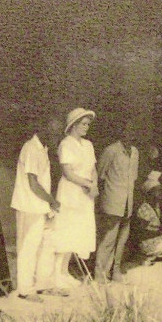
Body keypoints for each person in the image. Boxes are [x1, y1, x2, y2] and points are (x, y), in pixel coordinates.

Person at [10, 115, 62, 302]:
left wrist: (48, 203)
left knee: (45, 246)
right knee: (28, 248)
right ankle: (25, 289)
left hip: (39, 206)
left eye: (58, 134)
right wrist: (52, 201)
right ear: (43, 129)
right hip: (28, 206)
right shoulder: (31, 148)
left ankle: (43, 284)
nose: (56, 137)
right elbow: (33, 183)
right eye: (53, 133)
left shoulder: (43, 149)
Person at [53, 108, 98, 288]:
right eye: (83, 124)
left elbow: (93, 168)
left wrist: (93, 185)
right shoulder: (66, 144)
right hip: (71, 192)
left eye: (88, 124)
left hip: (85, 195)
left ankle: (65, 271)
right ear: (73, 125)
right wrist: (87, 184)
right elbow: (68, 173)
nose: (86, 127)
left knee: (77, 233)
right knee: (66, 230)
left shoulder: (88, 145)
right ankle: (57, 273)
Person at [95, 121, 140, 282]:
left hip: (128, 202)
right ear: (121, 133)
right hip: (112, 201)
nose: (131, 135)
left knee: (122, 239)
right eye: (128, 131)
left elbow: (133, 178)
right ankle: (100, 274)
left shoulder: (135, 152)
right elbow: (100, 175)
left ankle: (115, 270)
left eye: (134, 132)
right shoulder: (111, 151)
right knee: (108, 239)